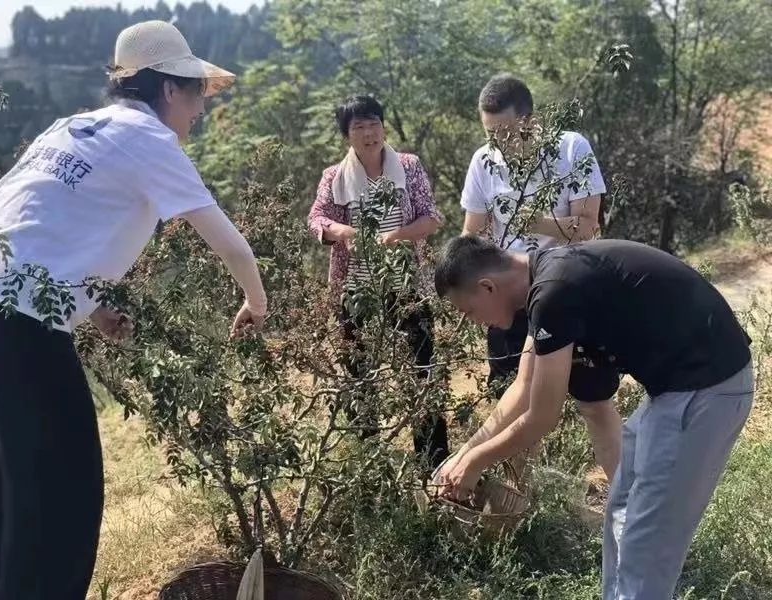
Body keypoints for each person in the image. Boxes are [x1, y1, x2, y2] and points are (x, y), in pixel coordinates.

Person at [0, 21, 267, 599]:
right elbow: (230, 243)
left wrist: (98, 305)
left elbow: (36, 222)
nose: (200, 111)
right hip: (25, 331)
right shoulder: (149, 139)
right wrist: (256, 302)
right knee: (60, 495)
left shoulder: (71, 128)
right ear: (168, 90)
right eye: (197, 94)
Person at [434, 235, 753, 600]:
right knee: (621, 510)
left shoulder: (554, 291)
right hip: (675, 392)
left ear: (487, 286)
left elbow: (542, 416)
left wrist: (476, 461)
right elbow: (524, 389)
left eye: (469, 312)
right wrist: (462, 456)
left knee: (646, 545)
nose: (476, 323)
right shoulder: (545, 275)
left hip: (705, 390)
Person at [460, 73, 621, 478]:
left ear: (530, 121)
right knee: (511, 399)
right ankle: (514, 507)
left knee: (593, 401)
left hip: (570, 293)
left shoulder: (570, 148)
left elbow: (588, 227)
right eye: (490, 133)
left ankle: (625, 497)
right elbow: (474, 233)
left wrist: (535, 221)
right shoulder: (483, 161)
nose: (498, 142)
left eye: (505, 132)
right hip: (510, 298)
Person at [308, 95, 448, 469]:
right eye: (358, 127)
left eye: (374, 124)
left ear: (384, 127)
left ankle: (432, 463)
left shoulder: (408, 166)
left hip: (406, 288)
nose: (368, 134)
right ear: (347, 135)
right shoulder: (334, 177)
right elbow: (317, 220)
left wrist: (396, 236)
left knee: (422, 370)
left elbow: (431, 217)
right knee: (360, 377)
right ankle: (369, 464)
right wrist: (346, 232)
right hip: (355, 292)